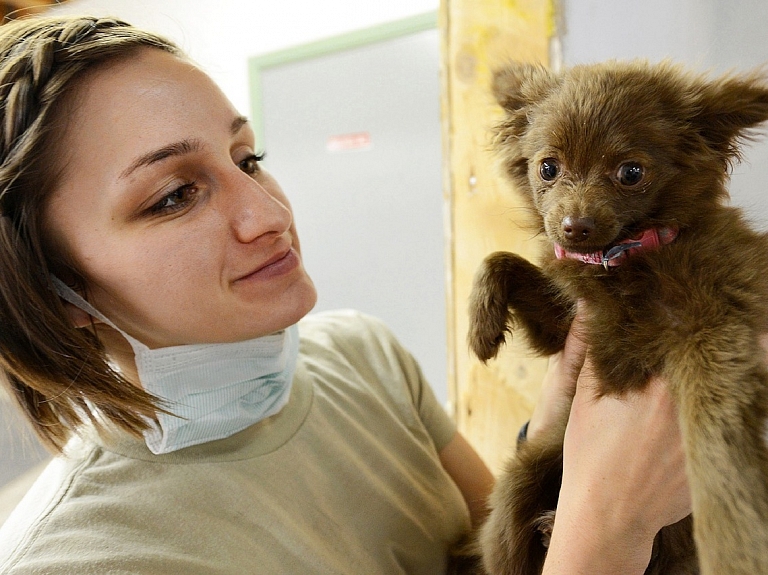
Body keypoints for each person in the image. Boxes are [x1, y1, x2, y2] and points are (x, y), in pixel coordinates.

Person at [0, 15, 689, 575]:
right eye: (174, 196)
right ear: (54, 294)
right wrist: (607, 534)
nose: (269, 214)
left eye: (248, 160)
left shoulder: (363, 354)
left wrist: (551, 442)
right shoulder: (81, 557)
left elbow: (496, 560)